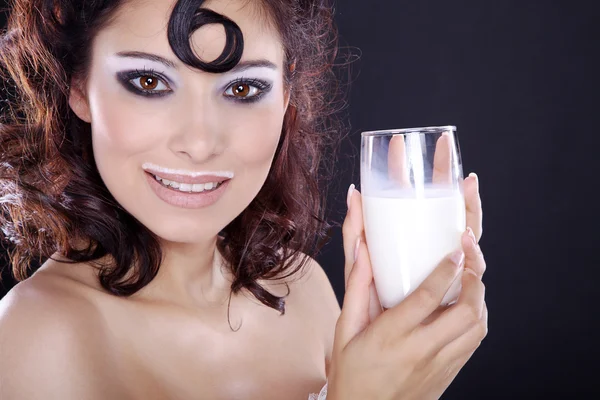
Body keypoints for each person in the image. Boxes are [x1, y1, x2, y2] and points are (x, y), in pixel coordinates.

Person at [0, 0, 488, 399]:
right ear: (78, 86)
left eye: (242, 87)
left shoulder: (302, 290)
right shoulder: (35, 337)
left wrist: (401, 358)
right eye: (149, 82)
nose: (199, 141)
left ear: (286, 93)